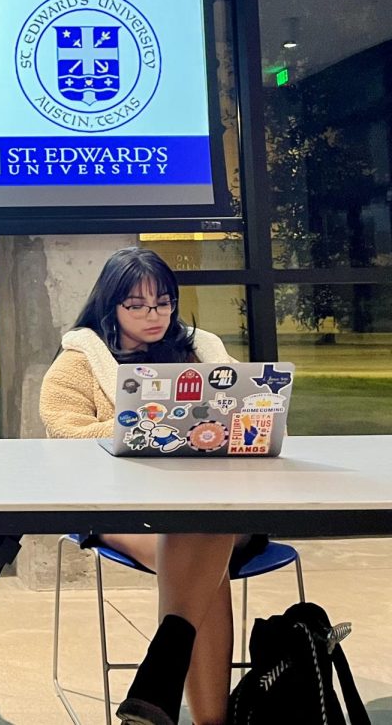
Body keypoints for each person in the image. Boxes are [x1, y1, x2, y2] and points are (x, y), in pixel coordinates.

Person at [39, 247, 263, 725]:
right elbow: (62, 433)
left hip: (217, 505)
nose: (153, 315)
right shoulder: (80, 359)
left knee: (206, 524)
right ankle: (203, 716)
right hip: (122, 508)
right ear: (111, 306)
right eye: (137, 305)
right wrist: (143, 427)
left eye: (162, 303)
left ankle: (162, 675)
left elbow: (248, 410)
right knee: (207, 560)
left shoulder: (203, 351)